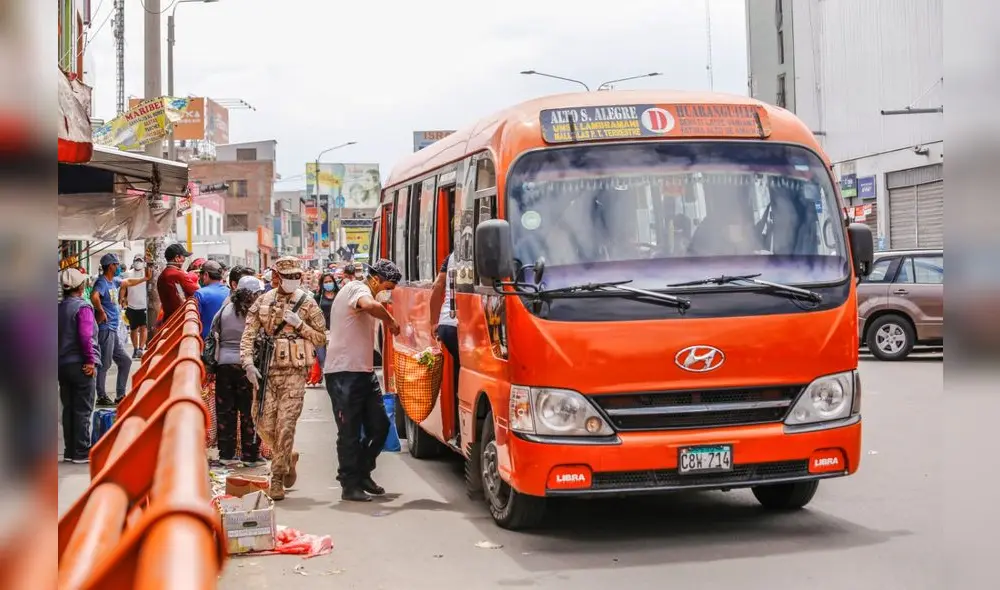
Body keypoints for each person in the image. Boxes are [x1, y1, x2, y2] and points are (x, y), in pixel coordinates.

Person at [239, 257, 327, 500]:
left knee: (285, 425)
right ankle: (287, 456)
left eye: (296, 276)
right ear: (277, 276)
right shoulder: (263, 301)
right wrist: (247, 362)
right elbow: (248, 335)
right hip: (267, 371)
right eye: (287, 277)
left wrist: (300, 326)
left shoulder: (306, 303)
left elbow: (322, 338)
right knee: (264, 423)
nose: (292, 281)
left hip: (294, 374)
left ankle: (276, 477)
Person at [324, 258, 401, 502]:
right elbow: (368, 304)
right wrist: (389, 320)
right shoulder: (358, 289)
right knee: (349, 432)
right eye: (387, 287)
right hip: (343, 372)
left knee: (380, 426)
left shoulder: (367, 291)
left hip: (364, 372)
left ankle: (363, 473)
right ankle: (349, 484)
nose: (387, 294)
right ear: (376, 279)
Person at [214, 275, 265, 467]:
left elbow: (214, 331)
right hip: (248, 366)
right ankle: (250, 456)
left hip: (224, 366)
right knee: (249, 412)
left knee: (225, 411)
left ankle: (226, 455)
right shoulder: (256, 311)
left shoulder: (225, 309)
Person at [91, 253, 149, 406]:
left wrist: (144, 279)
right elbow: (94, 296)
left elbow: (127, 281)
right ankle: (101, 396)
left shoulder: (112, 281)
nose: (118, 267)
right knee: (105, 363)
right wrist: (101, 311)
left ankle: (120, 395)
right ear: (111, 266)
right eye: (116, 264)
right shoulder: (102, 282)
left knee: (125, 361)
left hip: (113, 330)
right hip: (105, 329)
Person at [58, 268, 101, 464]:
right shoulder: (82, 308)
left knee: (69, 408)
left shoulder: (58, 308)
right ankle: (82, 451)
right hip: (81, 365)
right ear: (80, 286)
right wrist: (90, 361)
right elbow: (85, 337)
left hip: (62, 366)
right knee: (83, 408)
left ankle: (69, 450)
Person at [429, 251, 460, 442]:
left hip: (447, 324)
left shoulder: (451, 257)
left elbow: (437, 286)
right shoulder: (476, 250)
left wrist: (434, 322)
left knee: (461, 370)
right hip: (461, 325)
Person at [157, 243, 200, 324]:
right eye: (183, 257)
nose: (184, 260)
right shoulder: (177, 274)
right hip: (178, 320)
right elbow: (197, 292)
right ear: (177, 258)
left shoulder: (165, 273)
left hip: (170, 319)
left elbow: (179, 292)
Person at [194, 261, 230, 342]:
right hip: (225, 342)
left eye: (201, 275)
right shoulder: (230, 292)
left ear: (206, 275)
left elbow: (194, 320)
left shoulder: (200, 294)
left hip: (206, 342)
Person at [123, 255, 150, 359]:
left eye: (140, 261)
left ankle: (140, 348)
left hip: (144, 306)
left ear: (143, 262)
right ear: (133, 262)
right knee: (133, 329)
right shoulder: (128, 274)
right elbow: (124, 287)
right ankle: (135, 349)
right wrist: (122, 299)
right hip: (131, 305)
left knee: (144, 327)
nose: (138, 262)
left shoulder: (146, 273)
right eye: (136, 260)